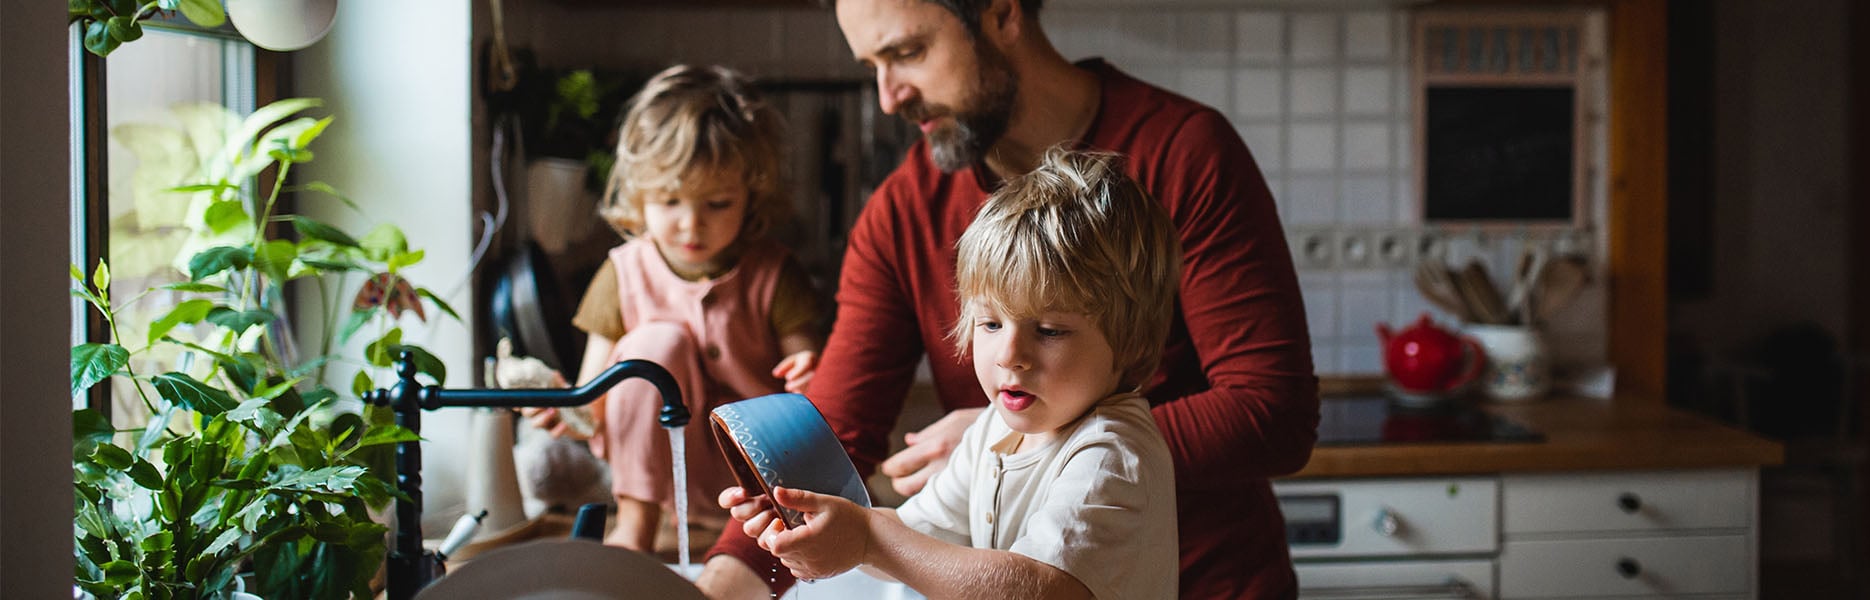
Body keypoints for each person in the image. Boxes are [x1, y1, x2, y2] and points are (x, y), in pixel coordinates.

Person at [700, 0, 1321, 597]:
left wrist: (1052, 435)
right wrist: (728, 583)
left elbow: (1272, 408)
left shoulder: (1185, 152)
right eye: (874, 68)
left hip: (1215, 584)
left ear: (1001, 13)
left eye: (908, 52)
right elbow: (834, 432)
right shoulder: (903, 208)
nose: (889, 96)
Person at [739, 147, 1180, 599]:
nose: (1009, 354)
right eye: (990, 323)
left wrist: (870, 539)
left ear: (1131, 342)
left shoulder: (1110, 455)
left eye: (1048, 330)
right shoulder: (993, 429)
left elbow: (1039, 590)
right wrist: (819, 523)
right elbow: (916, 538)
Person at [523, 64, 825, 552]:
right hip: (658, 475)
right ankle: (635, 529)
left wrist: (811, 374)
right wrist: (567, 406)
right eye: (669, 201)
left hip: (760, 475)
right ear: (640, 196)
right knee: (652, 347)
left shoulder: (773, 272)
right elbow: (593, 399)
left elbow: (813, 376)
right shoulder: (623, 273)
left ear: (752, 195)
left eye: (718, 204)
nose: (691, 224)